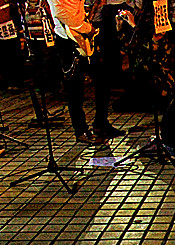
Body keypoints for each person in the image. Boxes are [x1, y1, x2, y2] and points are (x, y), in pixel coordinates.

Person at [46, 0, 121, 143]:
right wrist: (87, 28)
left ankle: (101, 123)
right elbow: (61, 13)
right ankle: (80, 130)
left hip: (84, 36)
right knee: (76, 87)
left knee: (102, 79)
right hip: (68, 39)